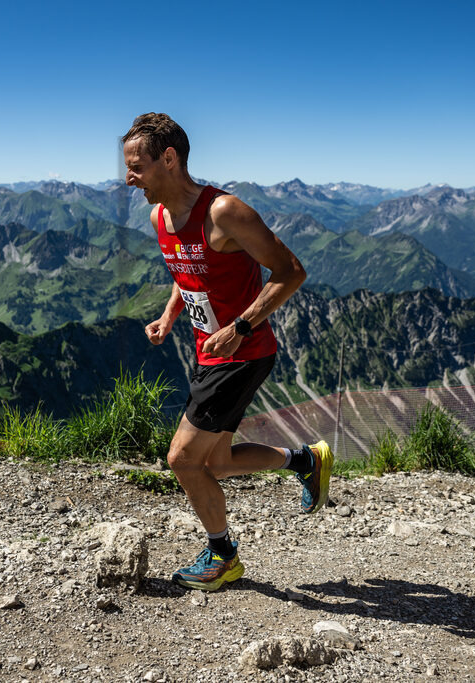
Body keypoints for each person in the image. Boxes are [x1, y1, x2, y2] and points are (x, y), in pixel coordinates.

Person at [121, 112, 333, 591]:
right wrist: (170, 315)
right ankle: (306, 461)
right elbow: (188, 274)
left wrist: (241, 325)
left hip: (242, 353)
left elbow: (291, 271)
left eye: (136, 166)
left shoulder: (224, 212)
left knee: (181, 459)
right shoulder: (160, 216)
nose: (128, 177)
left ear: (169, 159)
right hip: (210, 352)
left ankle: (223, 555)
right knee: (215, 462)